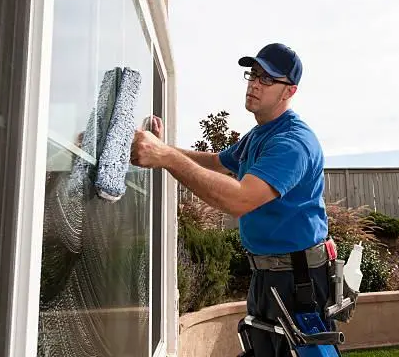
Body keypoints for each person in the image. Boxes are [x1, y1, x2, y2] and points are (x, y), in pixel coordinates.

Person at [131, 43, 334, 356]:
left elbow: (240, 201)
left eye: (267, 79)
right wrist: (164, 148)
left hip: (297, 282)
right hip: (268, 276)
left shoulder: (292, 143)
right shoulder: (259, 135)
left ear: (288, 91)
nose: (254, 83)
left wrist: (165, 157)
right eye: (253, 74)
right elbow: (216, 162)